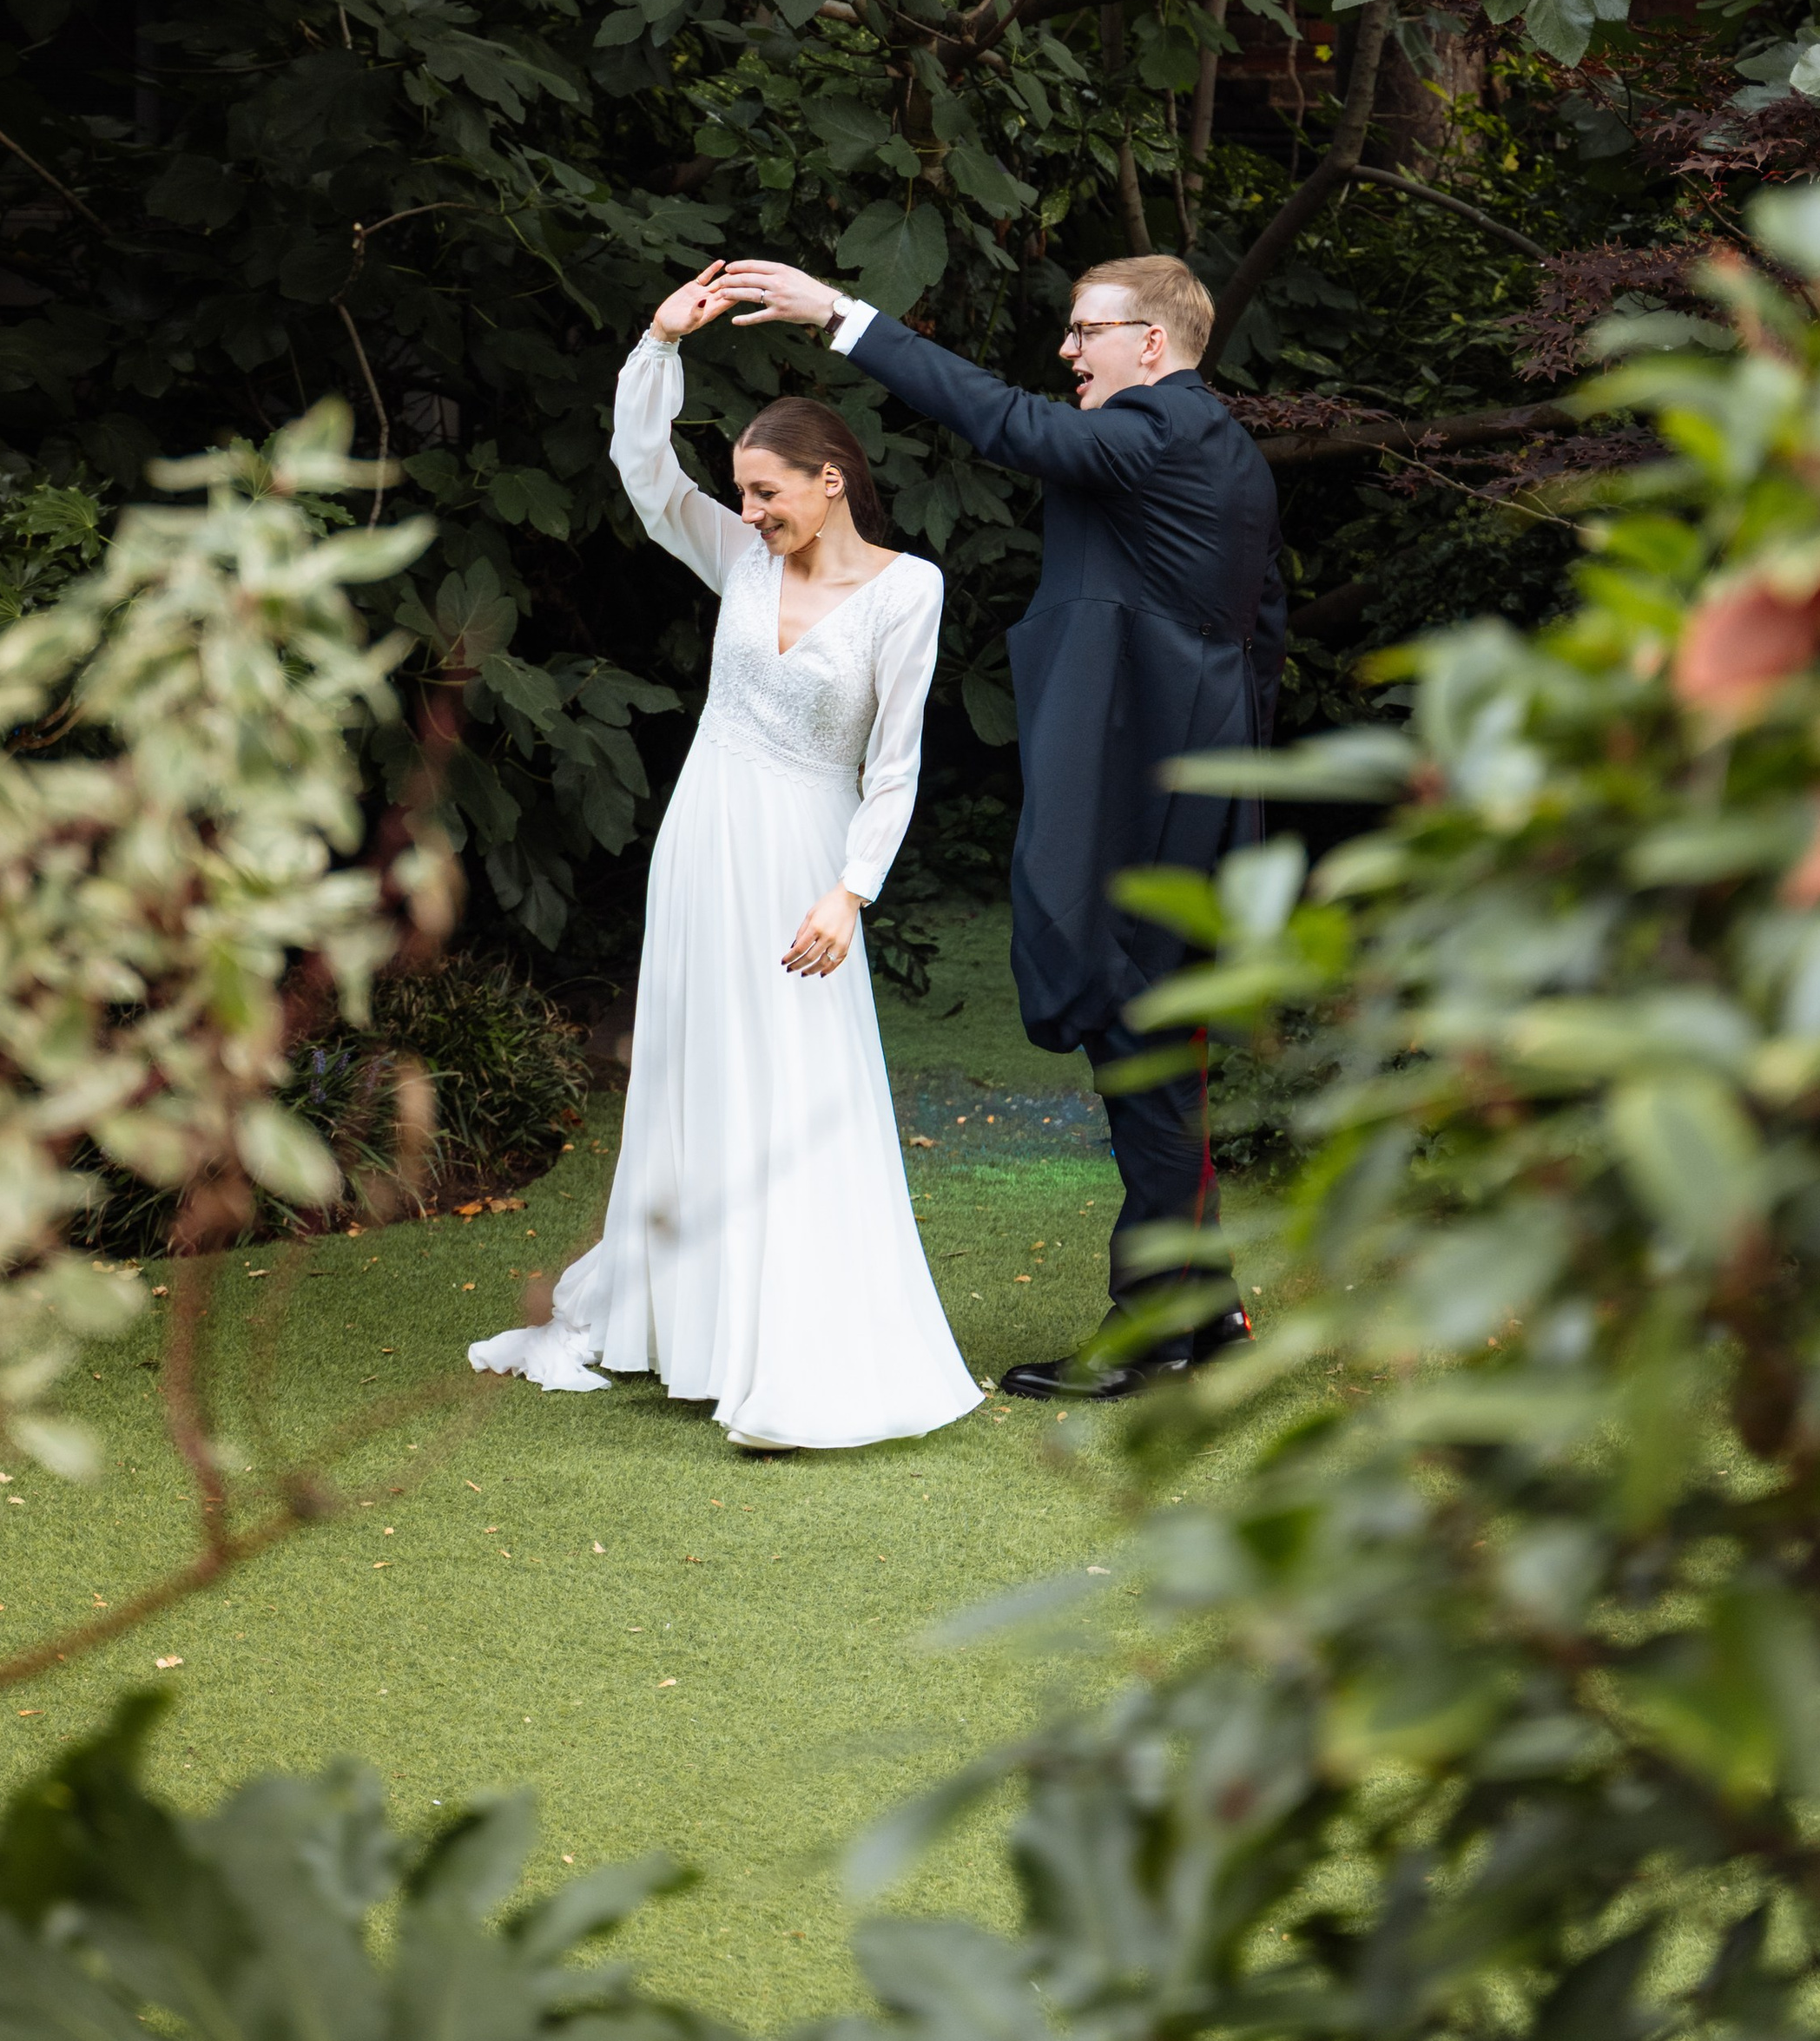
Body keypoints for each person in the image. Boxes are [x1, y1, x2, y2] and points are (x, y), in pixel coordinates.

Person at [714, 253, 1284, 1403]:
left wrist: (843, 319)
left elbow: (1007, 423)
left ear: (1154, 345)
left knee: (1142, 1036)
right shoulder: (1212, 446)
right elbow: (1258, 628)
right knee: (1154, 1038)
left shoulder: (1164, 428)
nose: (1069, 352)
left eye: (1088, 332)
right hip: (1180, 781)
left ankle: (1162, 1328)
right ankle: (1204, 1308)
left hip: (1148, 793)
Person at [469, 264, 980, 1452]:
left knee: (802, 1086)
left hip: (808, 853)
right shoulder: (740, 561)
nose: (751, 514)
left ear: (829, 481)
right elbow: (648, 478)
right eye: (743, 494)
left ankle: (796, 1348)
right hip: (704, 845)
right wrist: (659, 342)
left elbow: (895, 764)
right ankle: (687, 1329)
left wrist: (851, 891)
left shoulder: (910, 594)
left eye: (768, 494)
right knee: (698, 1075)